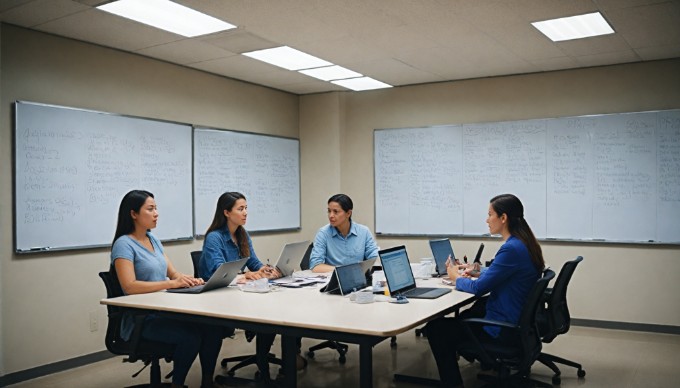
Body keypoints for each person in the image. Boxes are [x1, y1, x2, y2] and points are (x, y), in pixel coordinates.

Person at [425, 193, 545, 387]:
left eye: (490, 214)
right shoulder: (523, 243)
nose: (487, 220)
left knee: (436, 328)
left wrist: (455, 277)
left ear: (503, 218)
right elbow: (503, 271)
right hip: (517, 321)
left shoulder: (511, 249)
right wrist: (477, 270)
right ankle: (471, 354)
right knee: (469, 313)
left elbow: (479, 289)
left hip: (503, 329)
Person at [111, 190, 224, 388]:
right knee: (190, 337)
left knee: (211, 327)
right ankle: (177, 384)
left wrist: (189, 280)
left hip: (163, 310)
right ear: (133, 214)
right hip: (142, 318)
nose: (156, 213)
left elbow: (173, 274)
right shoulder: (124, 245)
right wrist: (171, 284)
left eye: (156, 208)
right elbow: (130, 287)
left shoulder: (152, 239)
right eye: (150, 209)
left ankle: (207, 382)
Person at [199, 192, 299, 381]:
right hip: (215, 298)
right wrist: (245, 275)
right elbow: (219, 272)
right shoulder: (215, 238)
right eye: (241, 209)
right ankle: (207, 379)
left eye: (246, 208)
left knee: (271, 315)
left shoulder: (242, 234)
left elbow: (254, 262)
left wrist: (265, 270)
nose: (245, 213)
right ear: (227, 212)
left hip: (238, 295)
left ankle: (263, 363)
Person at [309, 194, 379, 273]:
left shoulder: (363, 232)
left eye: (336, 212)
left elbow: (375, 258)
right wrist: (344, 271)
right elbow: (315, 266)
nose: (331, 215)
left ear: (348, 213)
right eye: (329, 211)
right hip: (334, 280)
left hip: (358, 279)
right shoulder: (323, 233)